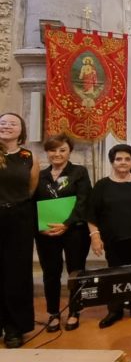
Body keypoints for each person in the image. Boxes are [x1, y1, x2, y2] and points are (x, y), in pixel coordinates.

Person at [88, 144, 131, 329]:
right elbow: (91, 214)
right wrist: (95, 237)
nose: (123, 162)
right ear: (112, 161)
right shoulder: (102, 185)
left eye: (127, 159)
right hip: (113, 238)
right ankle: (114, 310)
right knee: (115, 275)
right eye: (118, 159)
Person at [34, 134, 92, 332]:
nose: (57, 154)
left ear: (69, 152)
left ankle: (74, 311)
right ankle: (53, 313)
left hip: (74, 230)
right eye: (52, 150)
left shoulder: (79, 172)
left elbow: (84, 201)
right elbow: (32, 204)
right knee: (51, 273)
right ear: (47, 152)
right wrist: (41, 226)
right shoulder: (39, 175)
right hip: (46, 233)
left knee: (76, 271)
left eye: (62, 150)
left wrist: (66, 224)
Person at [0, 113, 39, 348]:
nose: (6, 126)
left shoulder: (28, 157)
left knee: (17, 275)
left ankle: (15, 328)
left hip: (19, 219)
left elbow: (31, 188)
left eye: (12, 123)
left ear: (21, 130)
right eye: (2, 123)